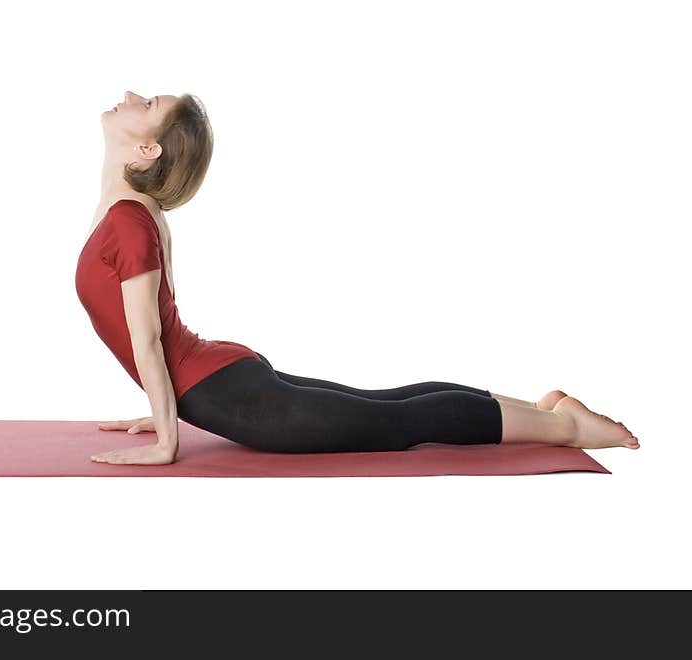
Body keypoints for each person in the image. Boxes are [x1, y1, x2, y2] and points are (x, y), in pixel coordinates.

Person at [75, 90, 640, 465]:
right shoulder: (132, 214)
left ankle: (566, 428)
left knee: (392, 424)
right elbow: (159, 325)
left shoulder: (128, 220)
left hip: (230, 393)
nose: (128, 95)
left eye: (145, 101)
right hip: (219, 379)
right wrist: (164, 406)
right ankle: (543, 411)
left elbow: (149, 335)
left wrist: (168, 440)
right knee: (385, 406)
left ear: (148, 148)